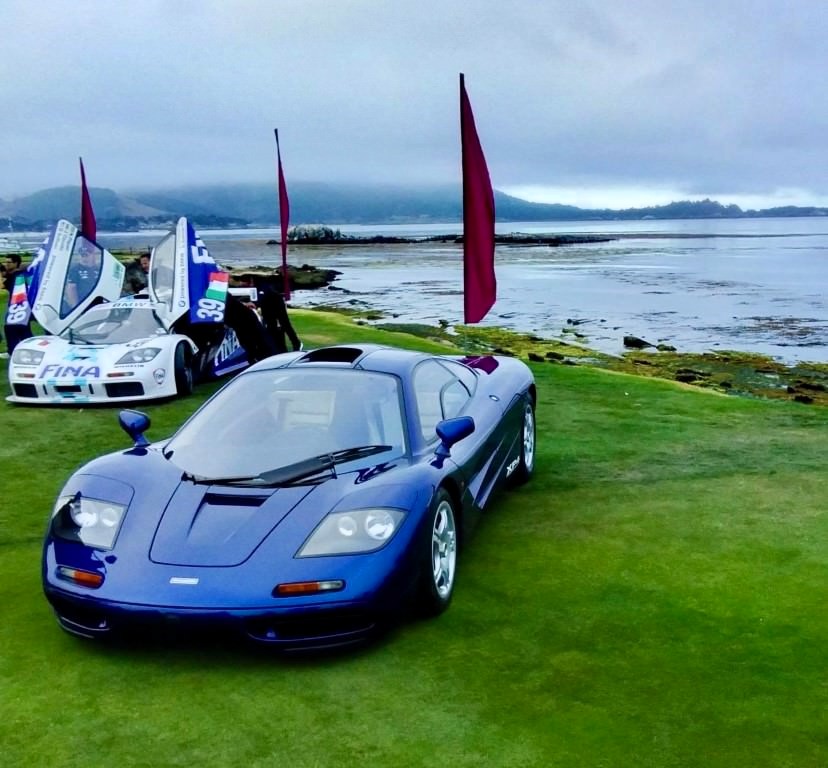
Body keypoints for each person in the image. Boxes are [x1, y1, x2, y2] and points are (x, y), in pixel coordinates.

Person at [3, 253, 33, 354]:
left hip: (19, 306)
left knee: (12, 328)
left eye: (9, 262)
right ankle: (28, 349)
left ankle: (13, 351)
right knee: (22, 329)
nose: (6, 265)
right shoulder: (17, 275)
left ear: (16, 263)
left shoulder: (18, 276)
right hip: (19, 306)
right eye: (5, 262)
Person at [63, 241, 101, 312]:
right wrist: (75, 306)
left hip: (97, 302)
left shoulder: (97, 269)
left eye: (86, 255)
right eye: (82, 255)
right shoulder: (75, 270)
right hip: (82, 303)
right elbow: (71, 288)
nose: (84, 258)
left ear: (92, 256)